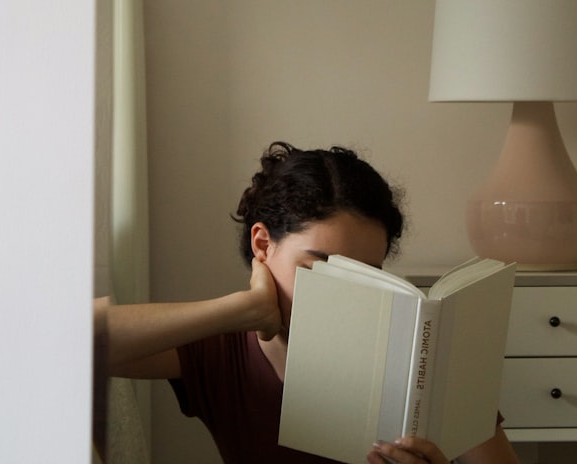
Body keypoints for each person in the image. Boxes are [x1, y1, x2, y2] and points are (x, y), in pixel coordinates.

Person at [103, 142, 520, 464]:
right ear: (262, 244)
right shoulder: (221, 349)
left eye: (367, 274)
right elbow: (60, 340)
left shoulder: (419, 361)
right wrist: (245, 309)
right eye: (320, 268)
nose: (349, 295)